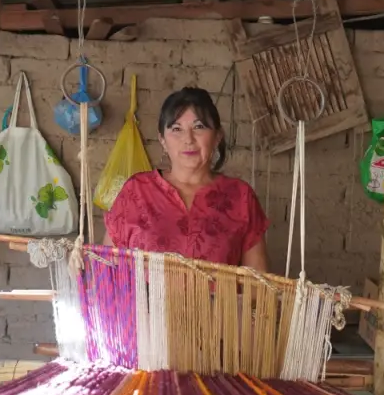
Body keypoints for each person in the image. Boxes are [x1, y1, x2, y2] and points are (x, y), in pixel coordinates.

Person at [102, 87, 270, 272]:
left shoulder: (240, 197)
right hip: (144, 301)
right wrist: (80, 268)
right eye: (176, 129)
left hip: (217, 302)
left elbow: (257, 286)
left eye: (199, 127)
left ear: (217, 137)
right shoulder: (136, 191)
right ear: (163, 140)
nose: (188, 139)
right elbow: (106, 270)